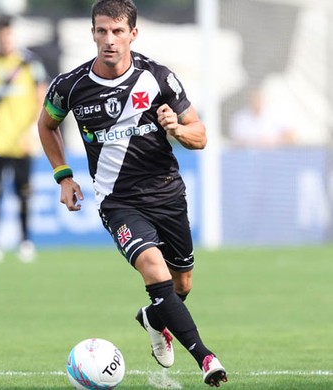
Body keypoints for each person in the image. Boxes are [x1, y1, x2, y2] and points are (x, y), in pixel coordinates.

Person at [37, 0, 228, 387]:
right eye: (102, 31)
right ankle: (206, 358)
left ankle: (154, 318)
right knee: (154, 269)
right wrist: (64, 176)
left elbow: (201, 136)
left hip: (166, 193)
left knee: (181, 285)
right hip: (117, 202)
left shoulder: (157, 78)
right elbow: (46, 125)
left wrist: (176, 129)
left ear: (133, 34)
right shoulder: (71, 86)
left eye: (118, 31)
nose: (110, 40)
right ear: (92, 33)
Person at [0, 14, 48, 264]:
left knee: (23, 194)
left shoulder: (29, 64)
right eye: (1, 35)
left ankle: (25, 241)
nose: (5, 40)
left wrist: (32, 131)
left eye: (9, 35)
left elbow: (41, 97)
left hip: (21, 142)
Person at [229, 87, 296, 148]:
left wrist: (273, 142)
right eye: (254, 99)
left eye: (259, 99)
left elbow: (291, 137)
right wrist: (257, 143)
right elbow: (236, 142)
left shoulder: (277, 114)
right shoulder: (241, 118)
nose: (256, 102)